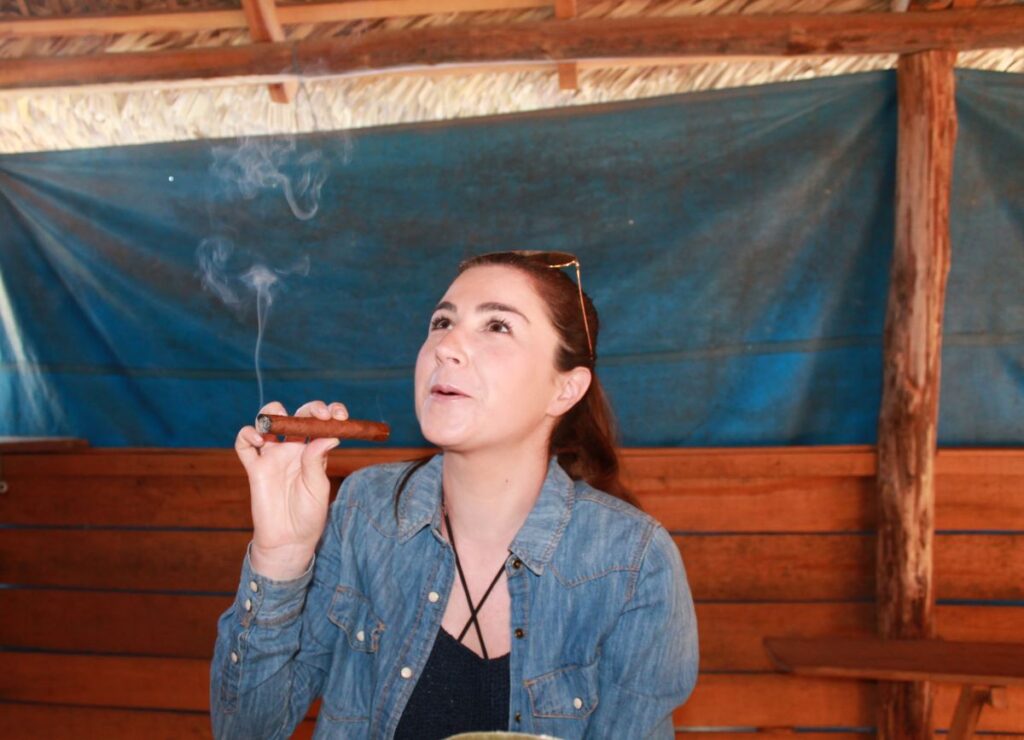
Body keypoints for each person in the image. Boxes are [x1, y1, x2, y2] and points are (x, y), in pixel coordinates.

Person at [211, 251, 699, 739]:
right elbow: (245, 732)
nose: (447, 346)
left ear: (565, 390)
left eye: (498, 327)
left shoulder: (633, 563)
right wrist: (282, 556)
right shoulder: (364, 510)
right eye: (441, 321)